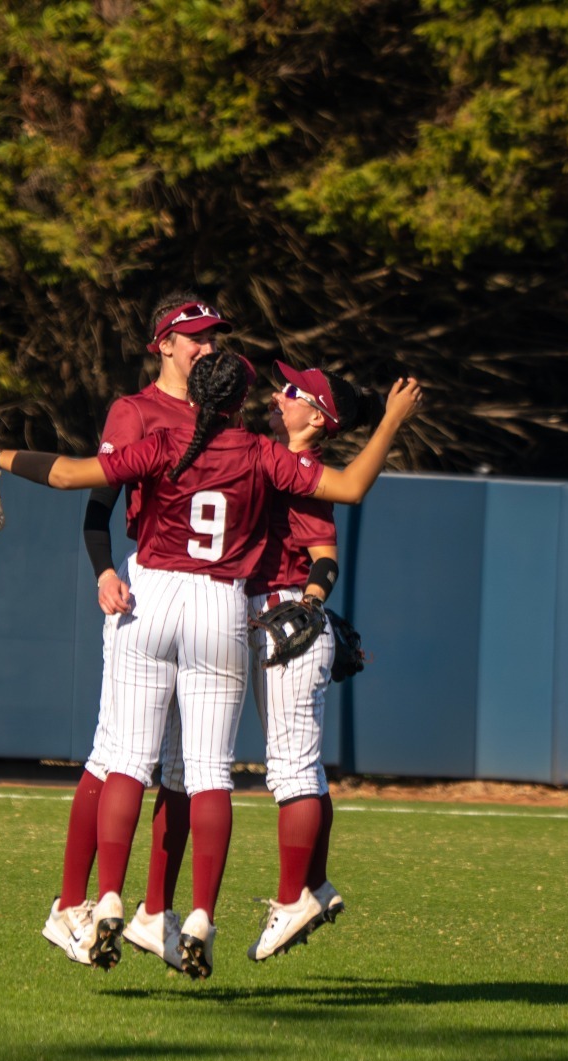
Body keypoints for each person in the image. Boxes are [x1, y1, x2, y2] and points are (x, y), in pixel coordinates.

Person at [0, 352, 422, 979]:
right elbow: (351, 488)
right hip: (220, 604)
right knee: (209, 773)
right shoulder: (261, 452)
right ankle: (198, 911)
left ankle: (112, 896)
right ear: (239, 402)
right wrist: (391, 419)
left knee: (127, 758)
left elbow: (68, 476)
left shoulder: (161, 440)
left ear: (193, 397)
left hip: (152, 592)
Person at [44, 293, 221, 972]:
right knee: (117, 752)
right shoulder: (136, 410)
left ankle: (157, 912)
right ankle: (69, 906)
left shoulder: (221, 413)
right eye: (195, 337)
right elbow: (97, 508)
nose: (207, 346)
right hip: (145, 593)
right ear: (164, 344)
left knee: (182, 765)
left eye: (213, 337)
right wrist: (103, 571)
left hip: (202, 602)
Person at [243, 360, 373, 962]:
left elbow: (323, 560)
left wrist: (310, 605)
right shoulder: (288, 465)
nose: (277, 393)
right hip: (287, 616)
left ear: (316, 416)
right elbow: (325, 557)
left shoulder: (306, 472)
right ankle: (314, 885)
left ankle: (293, 896)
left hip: (286, 619)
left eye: (290, 391)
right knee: (306, 770)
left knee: (292, 771)